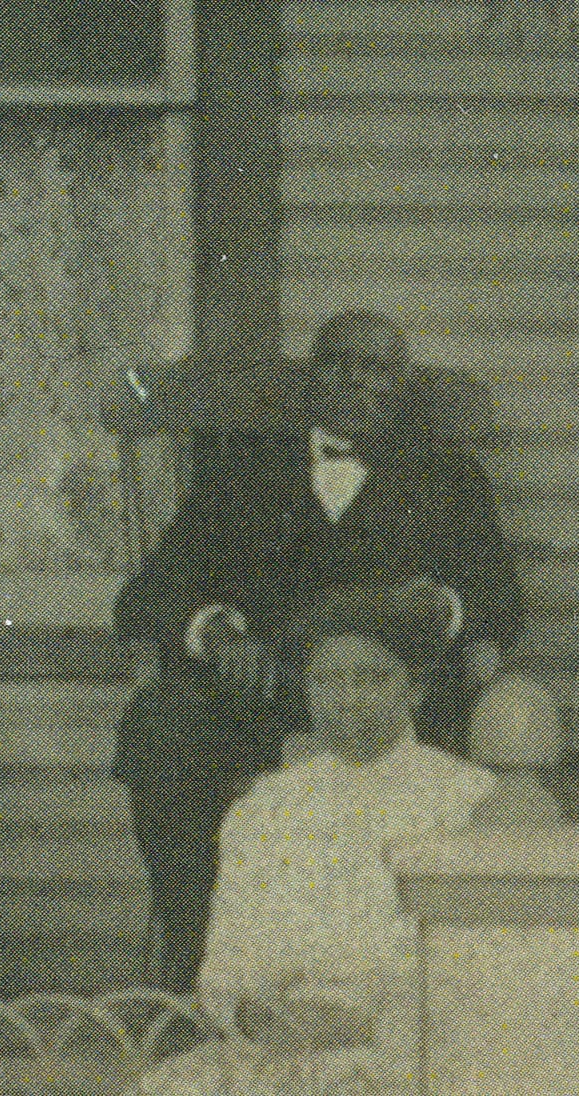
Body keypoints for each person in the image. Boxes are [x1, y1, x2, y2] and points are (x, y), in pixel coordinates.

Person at [112, 310, 525, 988]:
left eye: (379, 369)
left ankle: (409, 979)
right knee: (160, 724)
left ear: (403, 386)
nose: (359, 382)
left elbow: (500, 601)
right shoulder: (243, 474)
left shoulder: (450, 478)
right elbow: (147, 595)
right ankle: (202, 965)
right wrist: (217, 632)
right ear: (311, 380)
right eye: (339, 363)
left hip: (397, 704)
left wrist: (442, 611)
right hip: (262, 698)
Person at [134, 589, 501, 1096]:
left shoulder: (471, 802)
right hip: (274, 1049)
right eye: (328, 680)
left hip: (411, 1053)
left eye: (373, 678)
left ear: (414, 689)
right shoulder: (264, 805)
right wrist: (251, 1010)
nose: (348, 699)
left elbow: (478, 973)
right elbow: (220, 967)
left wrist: (360, 1021)